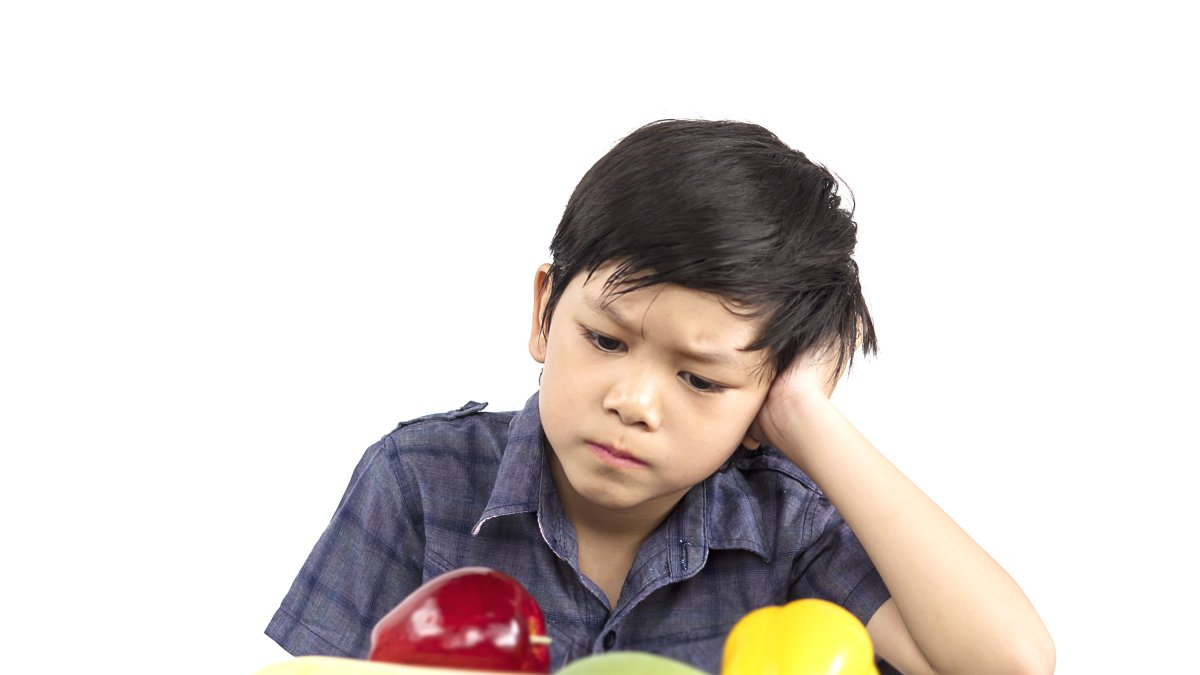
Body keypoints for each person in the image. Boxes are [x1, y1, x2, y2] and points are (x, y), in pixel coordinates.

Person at [265, 120, 1055, 674]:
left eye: (702, 379)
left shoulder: (787, 522)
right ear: (545, 311)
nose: (635, 401)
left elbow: (1010, 663)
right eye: (605, 341)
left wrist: (806, 418)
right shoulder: (420, 478)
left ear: (764, 392)